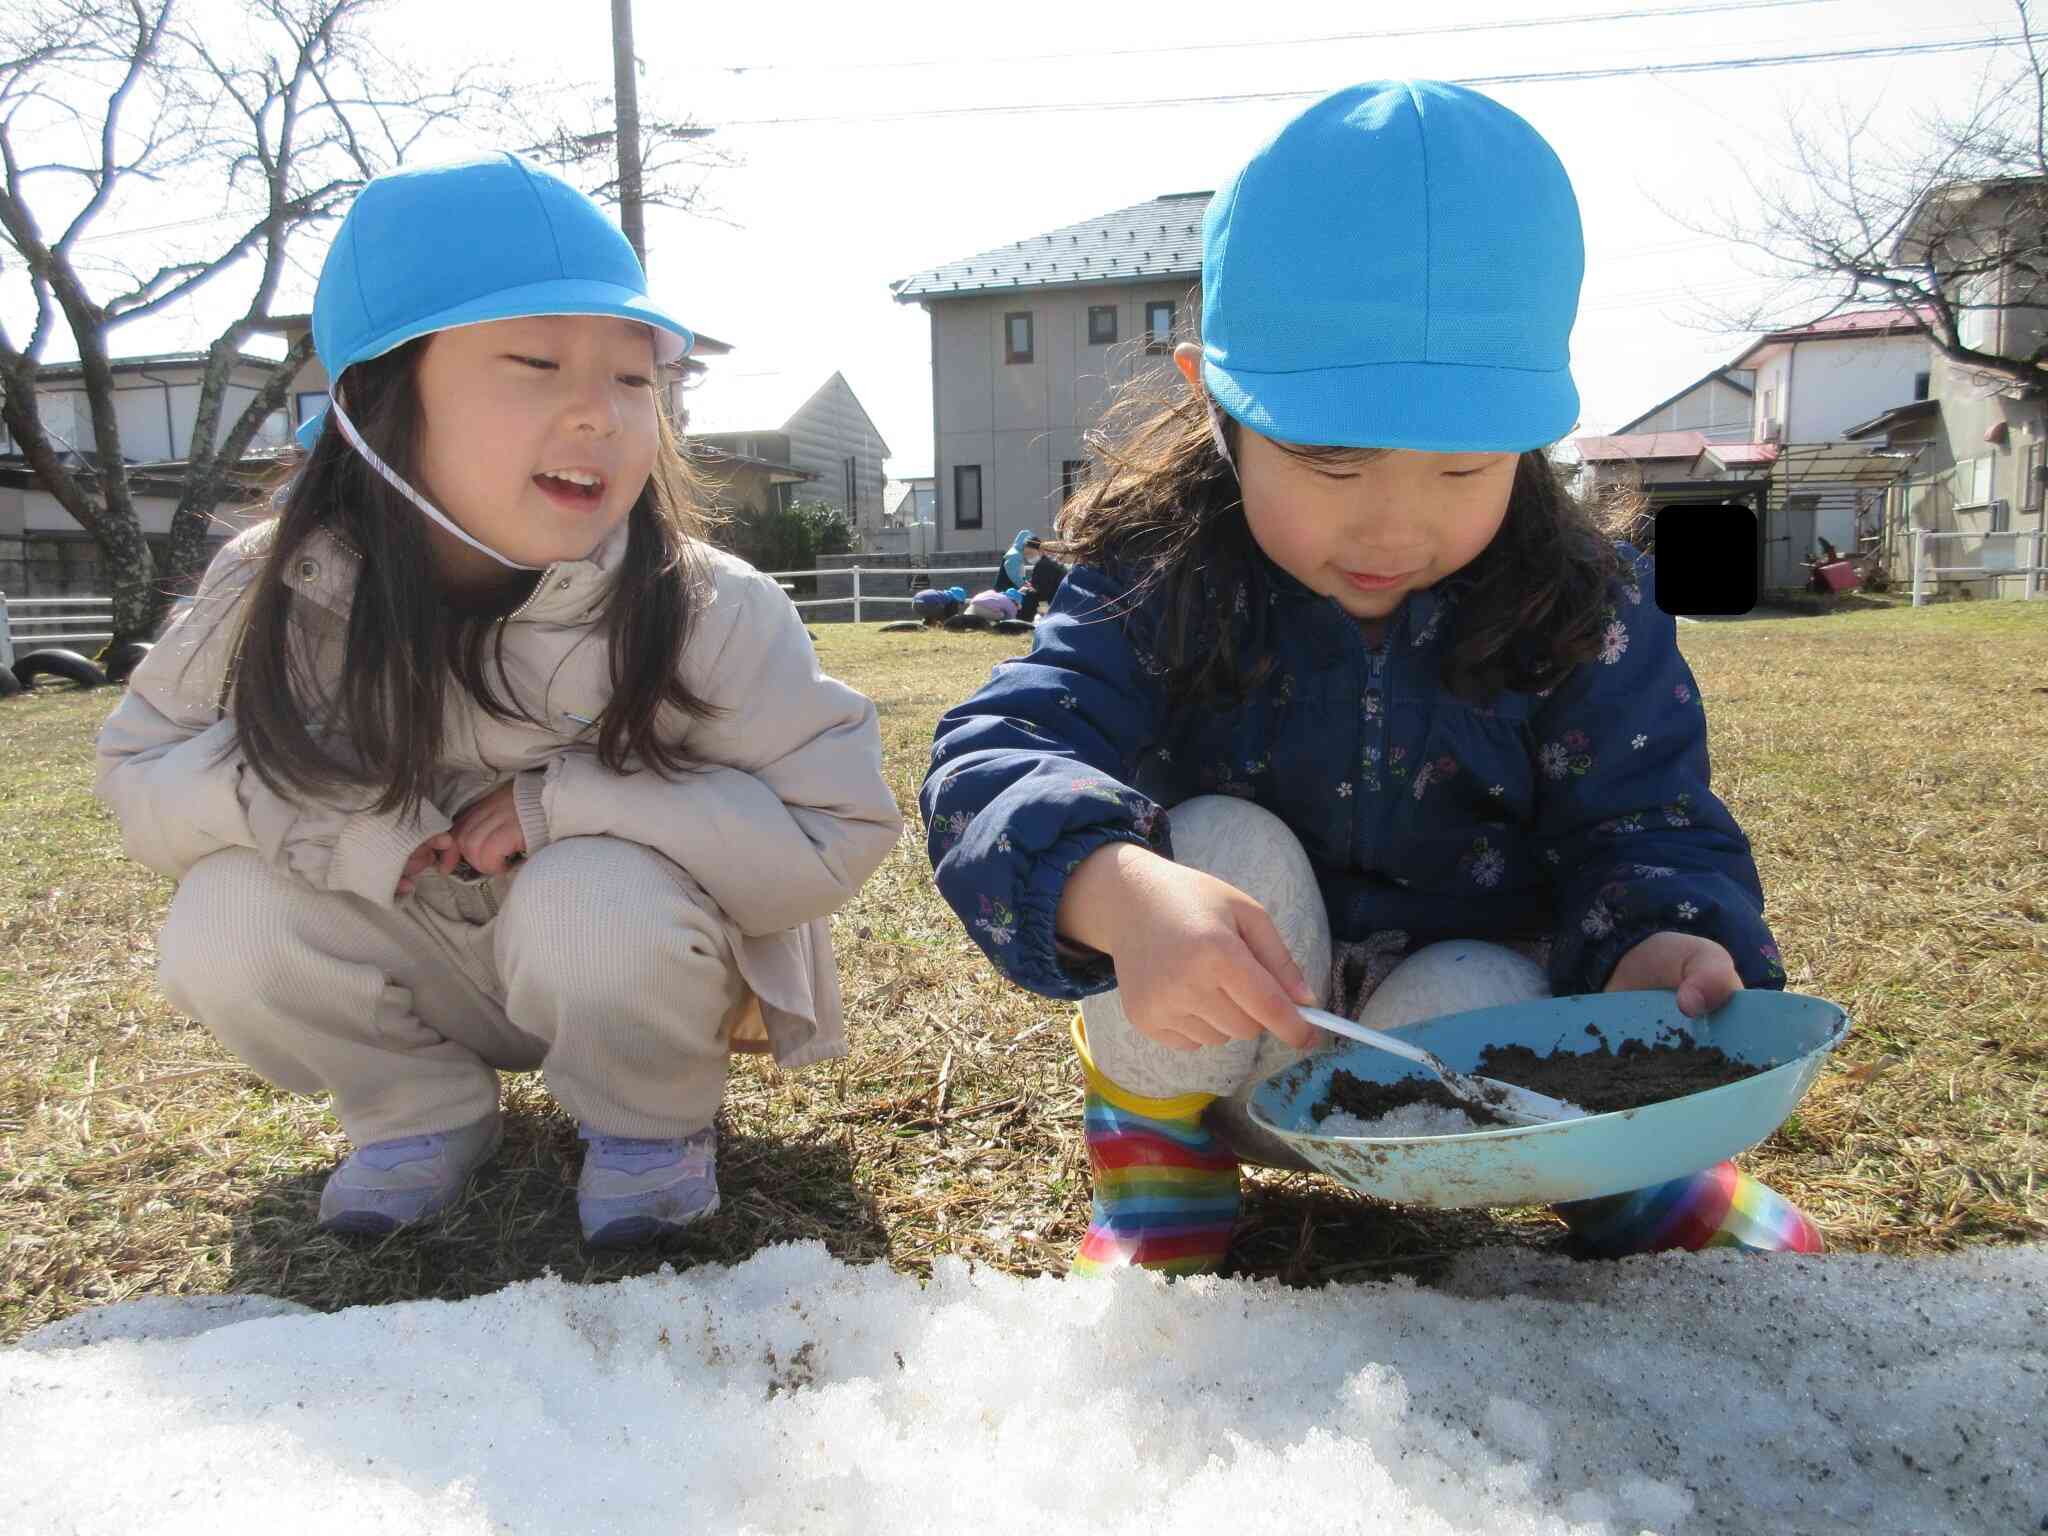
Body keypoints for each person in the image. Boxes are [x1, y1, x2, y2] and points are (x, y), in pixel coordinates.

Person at [921, 81, 1821, 1276]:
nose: (1396, 526)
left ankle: (1620, 1180)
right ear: (1216, 402)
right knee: (1217, 844)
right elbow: (996, 753)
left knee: (1476, 985)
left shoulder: (1578, 606)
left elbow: (1643, 821)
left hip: (1440, 1064)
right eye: (1333, 460)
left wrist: (1658, 942)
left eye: (1462, 466)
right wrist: (1113, 889)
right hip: (1215, 1045)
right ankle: (1155, 1159)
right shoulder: (1159, 574)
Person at [96, 153, 899, 1247]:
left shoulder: (707, 605)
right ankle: (412, 1115)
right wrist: (315, 806)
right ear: (378, 397)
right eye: (533, 361)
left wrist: (568, 806)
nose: (602, 416)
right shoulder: (273, 584)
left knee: (591, 893)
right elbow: (138, 776)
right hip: (408, 949)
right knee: (222, 919)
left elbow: (832, 832)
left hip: (620, 960)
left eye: (633, 377)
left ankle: (648, 1128)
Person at [1017, 545, 1068, 622]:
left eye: (1030, 553)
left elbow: (1042, 592)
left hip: (1054, 601)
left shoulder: (1043, 565)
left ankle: (1023, 622)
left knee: (1028, 596)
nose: (1028, 557)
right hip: (1058, 599)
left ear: (1040, 551)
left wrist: (1028, 589)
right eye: (1025, 554)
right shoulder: (1047, 562)